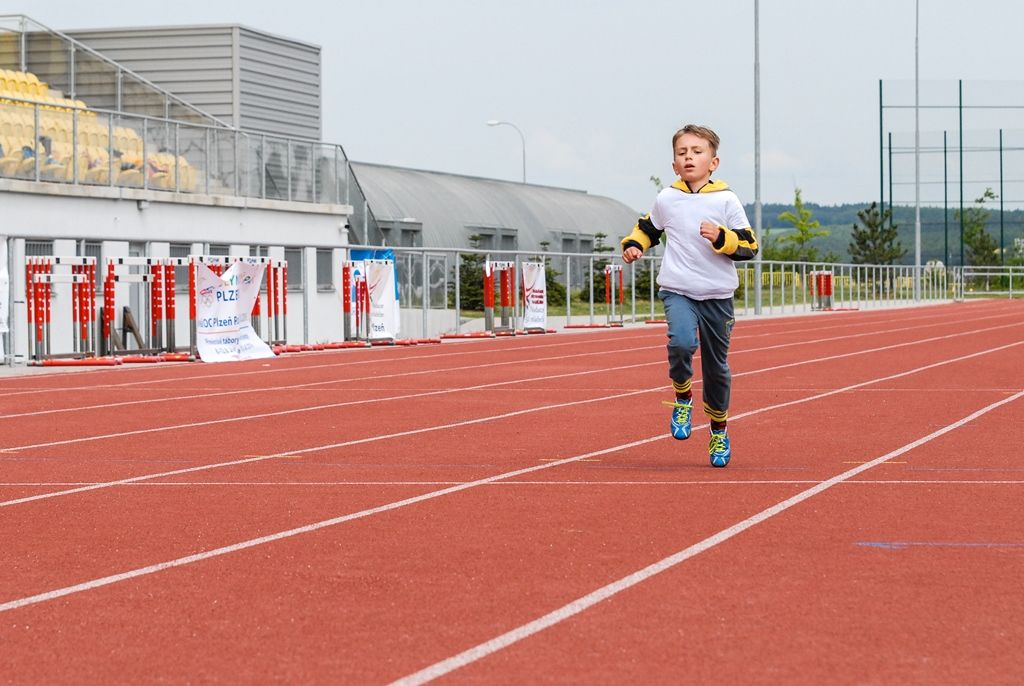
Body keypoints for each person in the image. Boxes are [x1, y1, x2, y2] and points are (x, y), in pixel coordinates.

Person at [621, 124, 758, 467]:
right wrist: (635, 245)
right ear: (674, 164)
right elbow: (648, 227)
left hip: (717, 296)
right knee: (681, 342)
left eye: (697, 152)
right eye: (682, 153)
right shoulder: (667, 198)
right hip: (678, 289)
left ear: (714, 162)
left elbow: (750, 245)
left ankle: (718, 430)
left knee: (716, 368)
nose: (689, 157)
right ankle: (682, 397)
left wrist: (722, 237)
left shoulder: (726, 199)